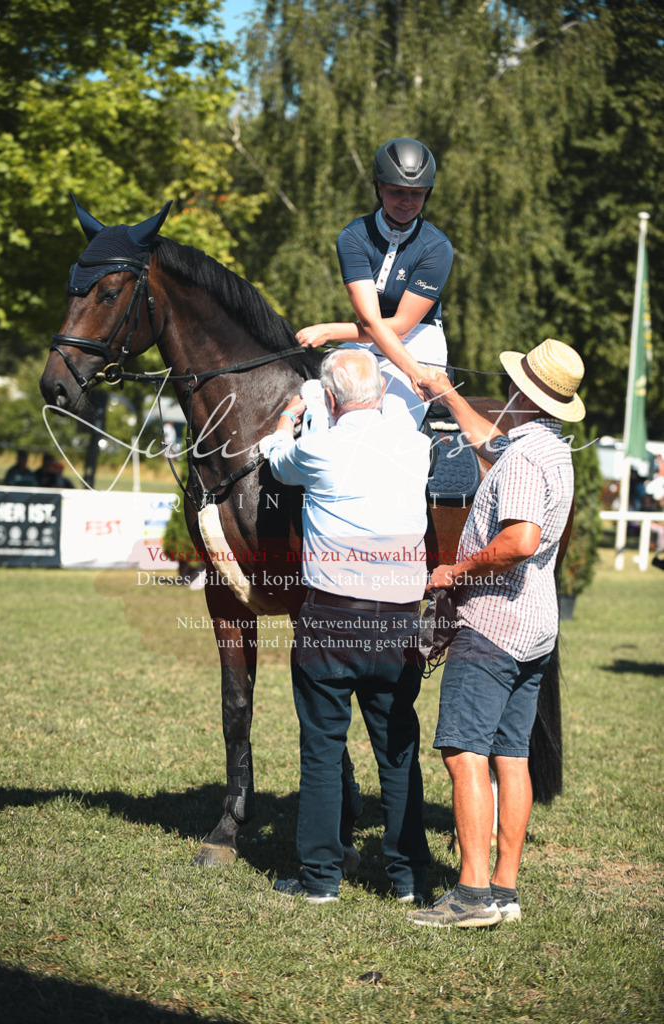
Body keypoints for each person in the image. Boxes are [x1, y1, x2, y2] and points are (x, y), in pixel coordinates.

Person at [408, 337, 584, 929]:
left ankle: (471, 894)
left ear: (520, 393)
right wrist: (448, 392)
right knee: (511, 756)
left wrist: (454, 570)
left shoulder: (526, 461)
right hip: (536, 626)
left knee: (464, 755)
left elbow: (520, 541)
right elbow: (490, 444)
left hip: (492, 625)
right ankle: (504, 889)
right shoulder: (550, 449)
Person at [267, 348, 432, 904]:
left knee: (320, 749)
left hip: (331, 618)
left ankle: (320, 880)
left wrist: (295, 414)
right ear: (382, 397)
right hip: (398, 620)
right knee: (398, 751)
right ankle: (407, 878)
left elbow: (276, 458)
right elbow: (391, 413)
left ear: (332, 399)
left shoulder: (318, 447)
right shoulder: (415, 443)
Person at [296, 137, 453, 430]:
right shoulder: (353, 237)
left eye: (416, 193)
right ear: (379, 187)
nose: (407, 202)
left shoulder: (437, 247)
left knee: (394, 425)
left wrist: (328, 331)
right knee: (312, 403)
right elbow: (370, 320)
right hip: (365, 335)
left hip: (419, 339)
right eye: (397, 191)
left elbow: (403, 326)